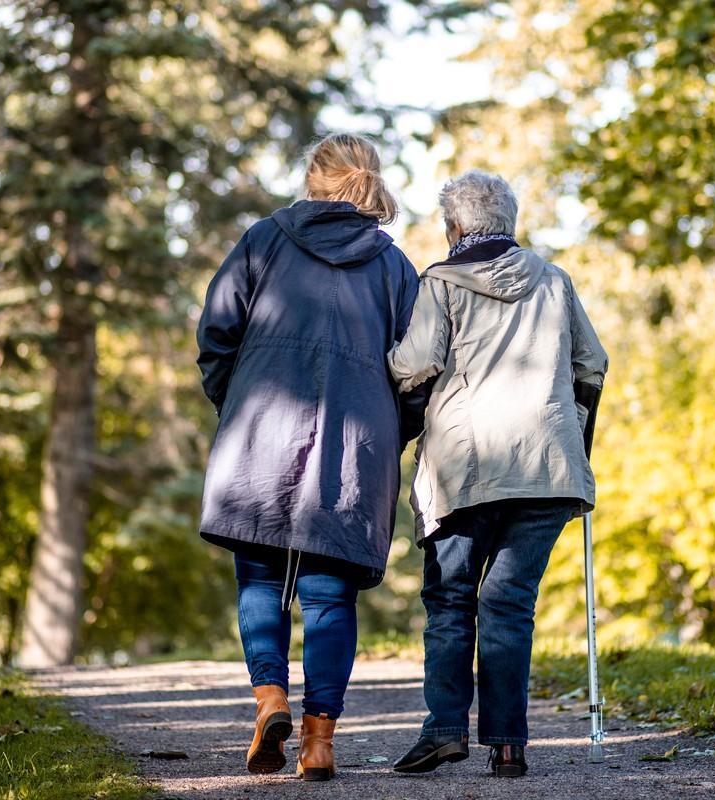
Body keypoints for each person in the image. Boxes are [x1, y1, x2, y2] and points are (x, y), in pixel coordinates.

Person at [196, 133, 423, 781]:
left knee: (262, 580)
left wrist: (235, 403)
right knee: (330, 599)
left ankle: (270, 698)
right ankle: (319, 741)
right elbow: (417, 373)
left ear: (312, 178)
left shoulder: (263, 241)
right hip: (353, 451)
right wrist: (389, 436)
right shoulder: (394, 267)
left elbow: (216, 335)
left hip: (259, 436)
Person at [388, 170, 608, 778]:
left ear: (455, 226)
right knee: (509, 603)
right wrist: (576, 431)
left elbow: (415, 364)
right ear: (507, 223)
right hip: (548, 467)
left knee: (453, 600)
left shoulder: (442, 281)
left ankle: (445, 730)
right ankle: (508, 745)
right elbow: (593, 362)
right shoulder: (554, 281)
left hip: (467, 468)